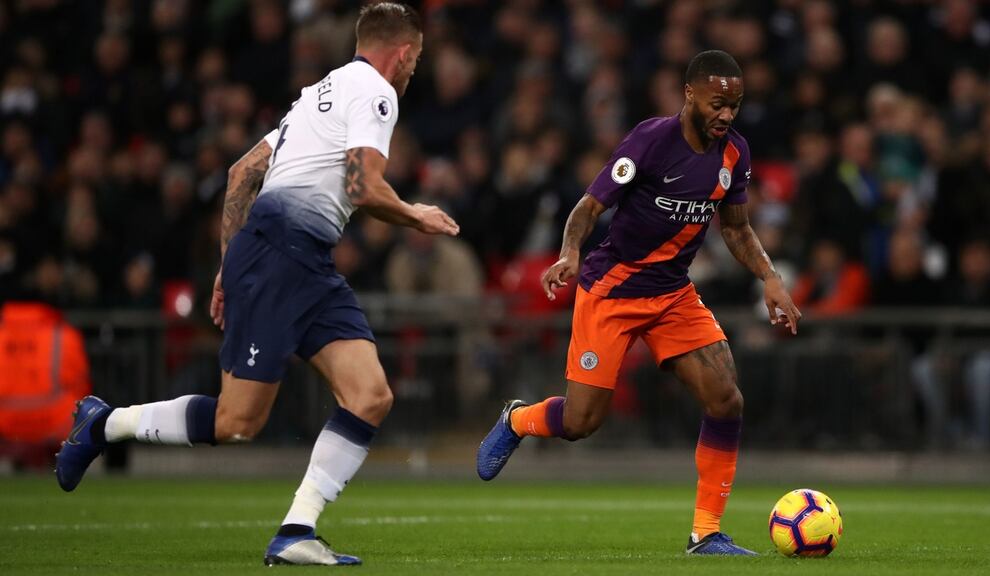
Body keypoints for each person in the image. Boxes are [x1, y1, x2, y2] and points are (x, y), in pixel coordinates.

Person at [55, 2, 459, 566]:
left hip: (302, 262)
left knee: (370, 395)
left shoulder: (318, 93)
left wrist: (228, 262)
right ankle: (105, 422)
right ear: (402, 52)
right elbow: (363, 186)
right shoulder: (376, 91)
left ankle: (296, 530)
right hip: (278, 257)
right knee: (238, 422)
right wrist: (416, 214)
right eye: (415, 58)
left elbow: (242, 170)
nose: (414, 69)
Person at [476, 50, 801, 556]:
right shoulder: (650, 141)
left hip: (672, 294)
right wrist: (568, 252)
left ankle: (706, 533)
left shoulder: (735, 153)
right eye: (718, 104)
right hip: (612, 290)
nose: (726, 115)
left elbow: (735, 228)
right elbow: (589, 207)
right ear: (689, 93)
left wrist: (770, 277)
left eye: (734, 106)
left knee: (726, 399)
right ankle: (518, 420)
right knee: (581, 423)